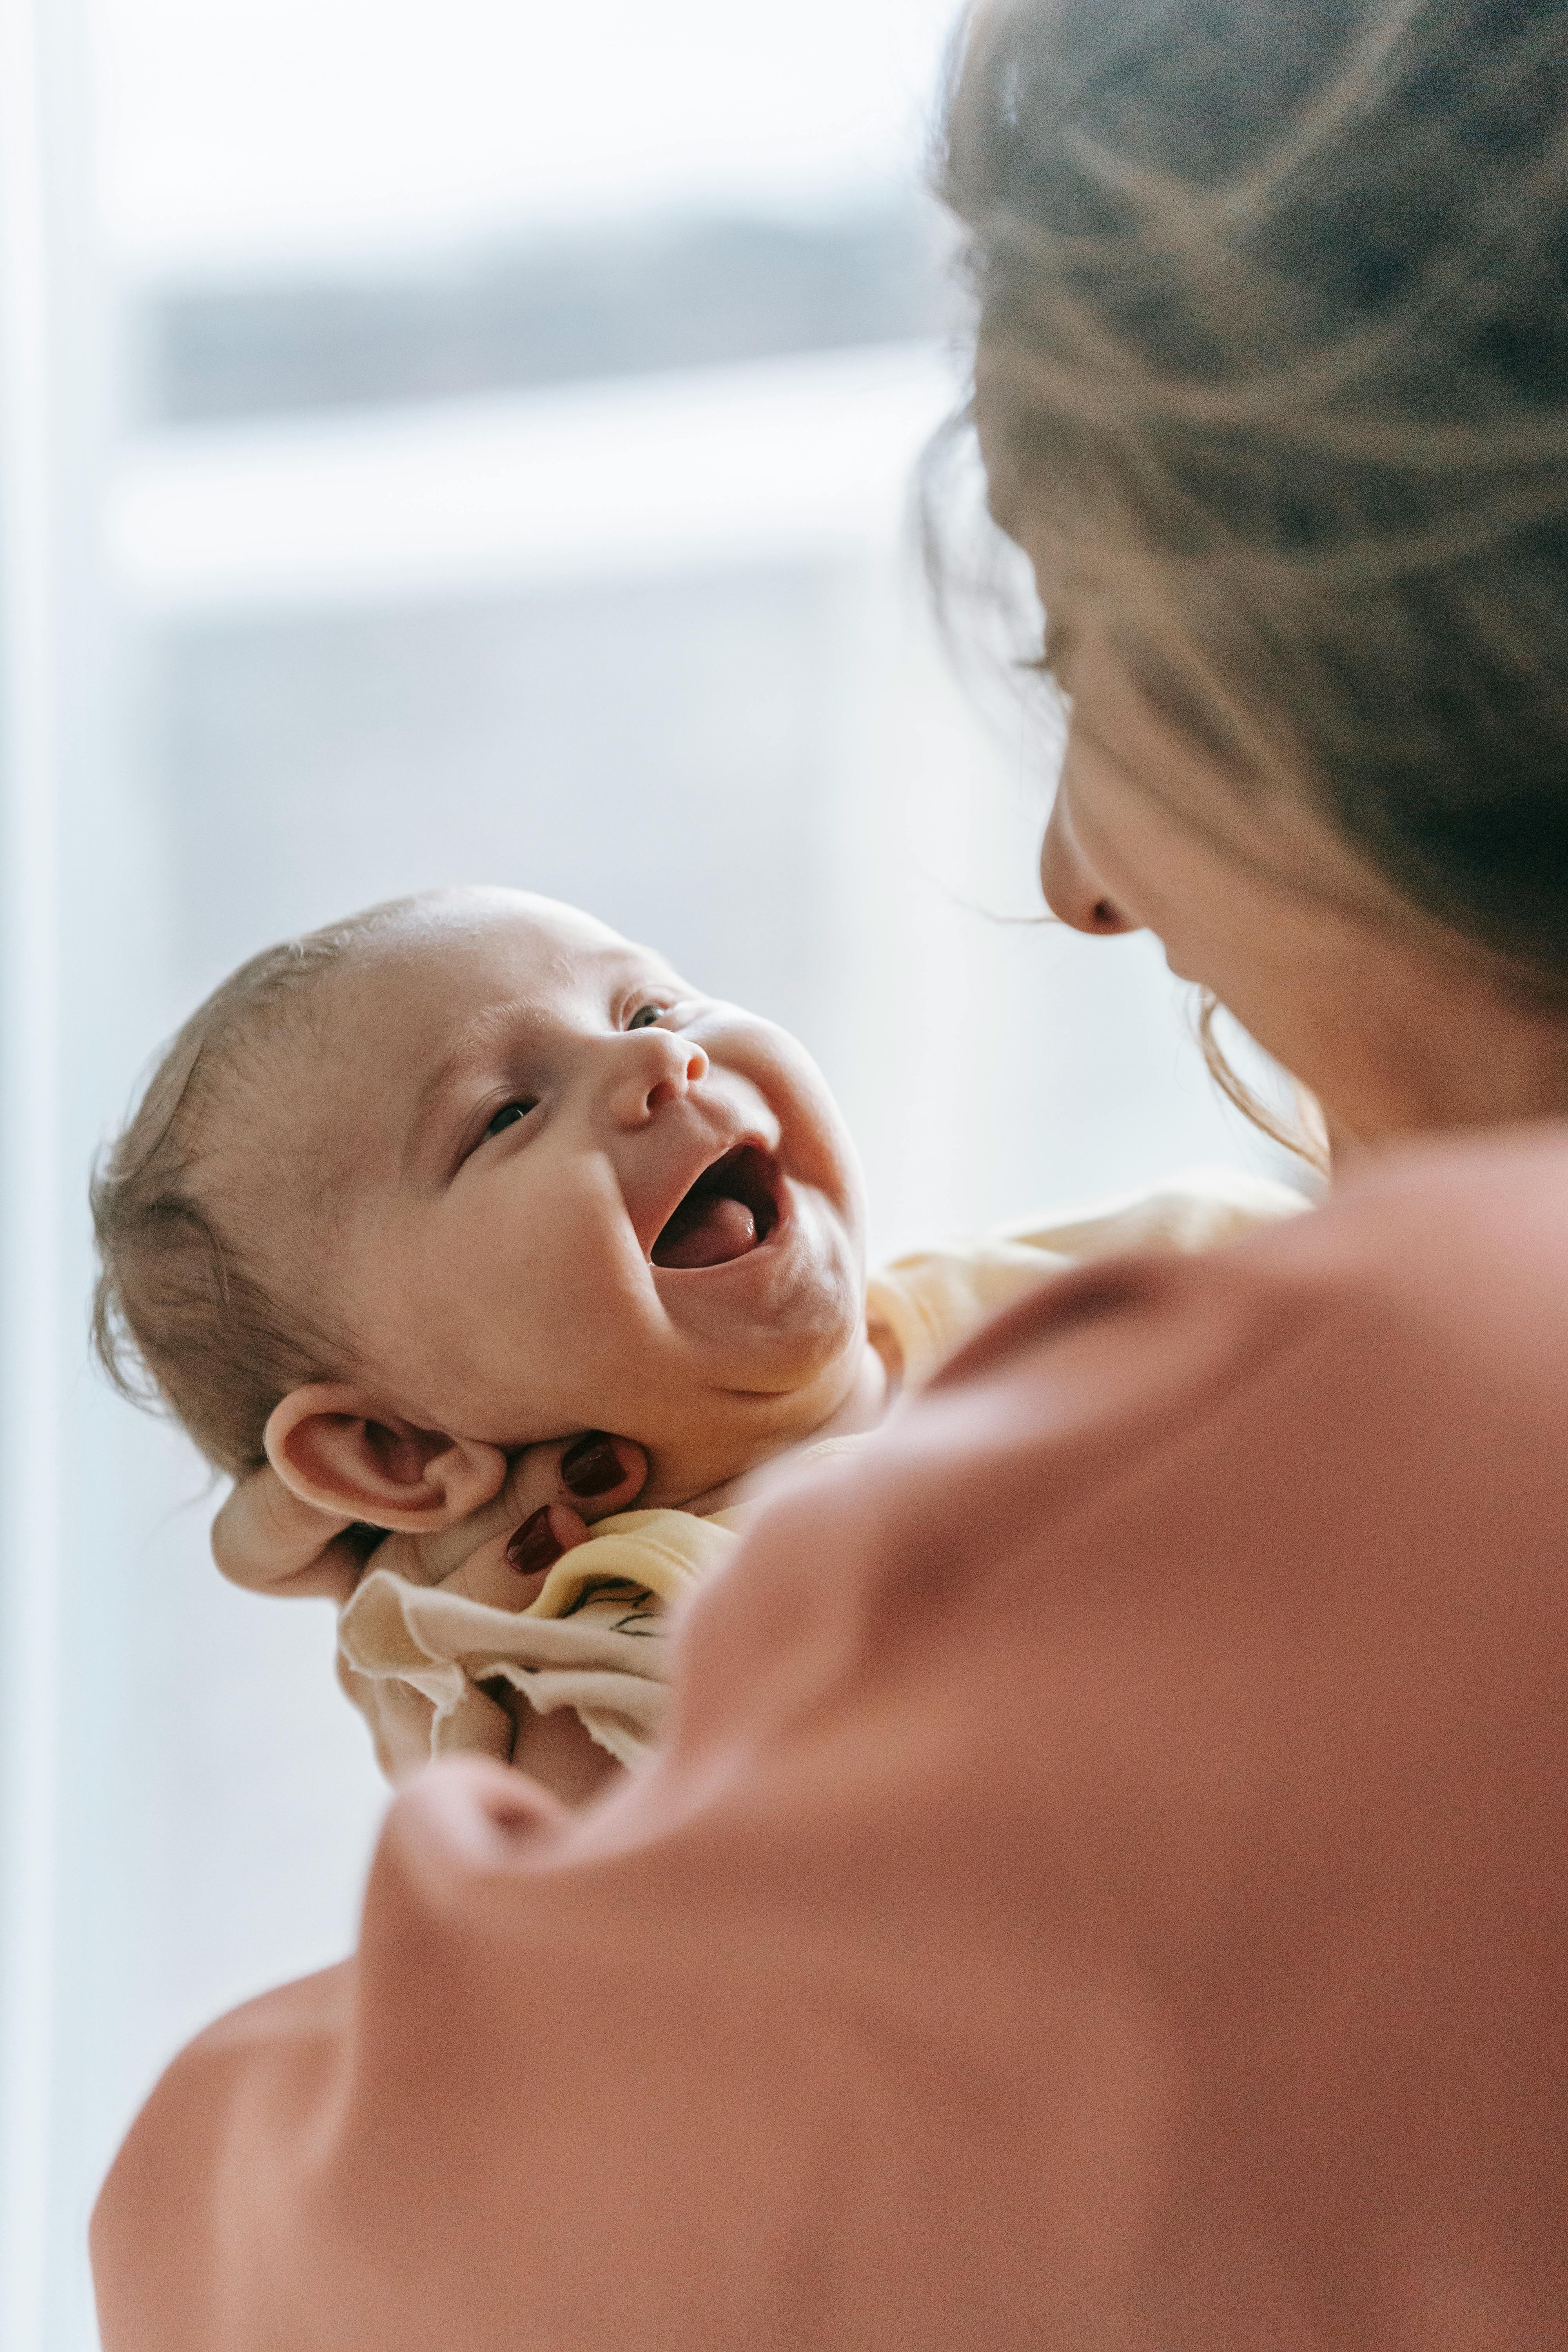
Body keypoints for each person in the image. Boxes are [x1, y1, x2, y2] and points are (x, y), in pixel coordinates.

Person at [91, 0, 1568, 2343]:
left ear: (1370, 669)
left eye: (1100, 667)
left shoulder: (1353, 1418)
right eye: (504, 1112)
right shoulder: (613, 1612)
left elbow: (270, 2257)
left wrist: (476, 1867)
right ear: (381, 1442)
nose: (1085, 880)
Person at [90, 882, 1296, 1798]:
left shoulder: (1111, 1273)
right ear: (390, 1449)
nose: (662, 1059)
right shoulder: (619, 1678)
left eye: (649, 1005)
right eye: (507, 1112)